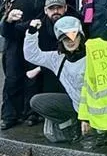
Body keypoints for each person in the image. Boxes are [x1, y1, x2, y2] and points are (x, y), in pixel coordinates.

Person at [0, 0, 58, 129]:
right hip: (16, 39)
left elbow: (49, 12)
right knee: (13, 77)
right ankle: (10, 115)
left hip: (36, 38)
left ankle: (32, 113)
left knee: (33, 77)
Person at [23, 16, 89, 144]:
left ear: (81, 37)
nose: (70, 41)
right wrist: (31, 33)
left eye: (74, 36)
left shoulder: (93, 55)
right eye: (65, 38)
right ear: (61, 41)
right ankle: (72, 124)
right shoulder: (57, 59)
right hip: (76, 105)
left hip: (96, 107)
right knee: (37, 101)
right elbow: (32, 55)